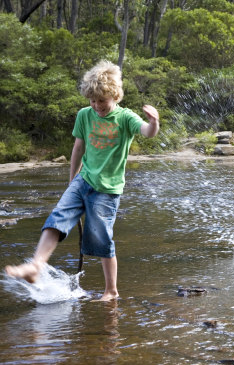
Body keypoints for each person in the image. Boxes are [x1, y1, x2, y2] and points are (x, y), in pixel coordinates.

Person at [4, 60, 160, 301]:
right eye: (92, 100)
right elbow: (78, 148)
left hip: (107, 189)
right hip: (83, 180)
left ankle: (111, 291)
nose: (96, 105)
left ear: (115, 96)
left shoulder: (125, 118)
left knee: (101, 237)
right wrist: (72, 179)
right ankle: (35, 266)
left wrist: (154, 123)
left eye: (102, 101)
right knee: (57, 216)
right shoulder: (85, 115)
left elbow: (146, 132)